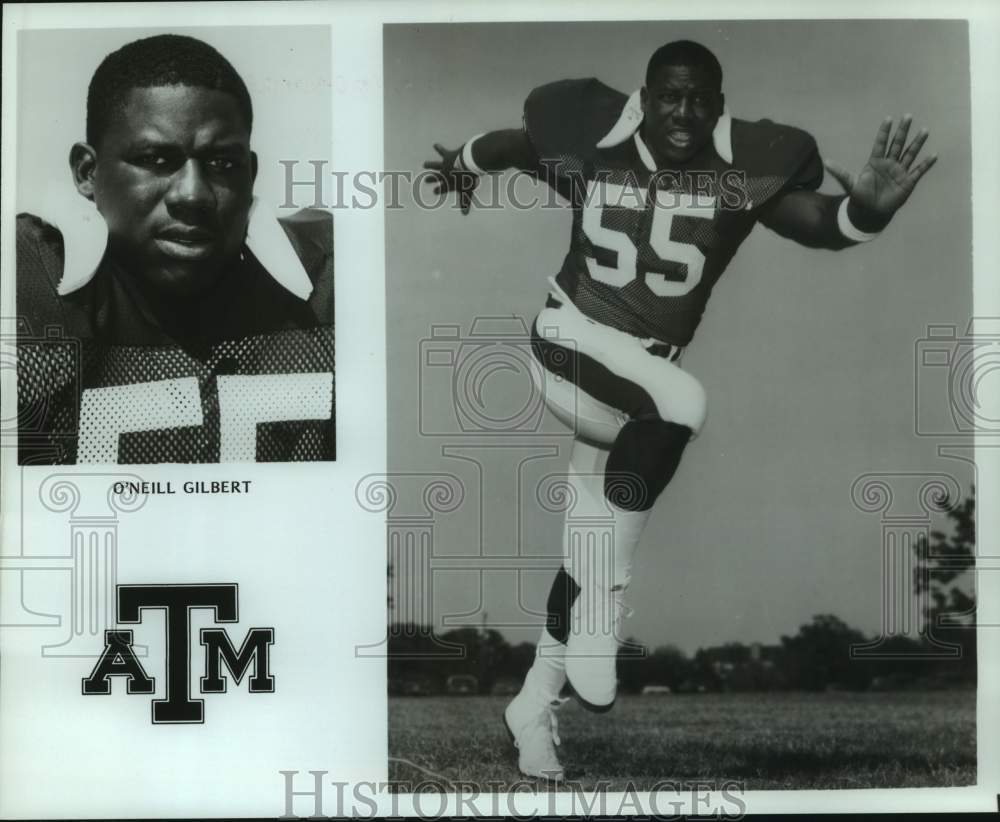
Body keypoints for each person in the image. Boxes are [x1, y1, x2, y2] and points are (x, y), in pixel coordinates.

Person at [424, 39, 936, 780]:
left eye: (699, 99)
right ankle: (606, 606)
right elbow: (517, 145)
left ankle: (532, 705)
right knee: (683, 402)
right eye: (670, 95)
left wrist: (867, 212)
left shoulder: (738, 176)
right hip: (568, 341)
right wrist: (462, 163)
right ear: (646, 94)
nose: (683, 112)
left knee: (585, 546)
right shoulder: (594, 140)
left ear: (719, 107)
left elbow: (822, 224)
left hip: (633, 387)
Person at [16, 34, 335, 465]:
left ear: (251, 173)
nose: (193, 194)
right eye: (156, 160)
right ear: (88, 172)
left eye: (222, 164)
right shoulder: (30, 278)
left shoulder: (327, 277)